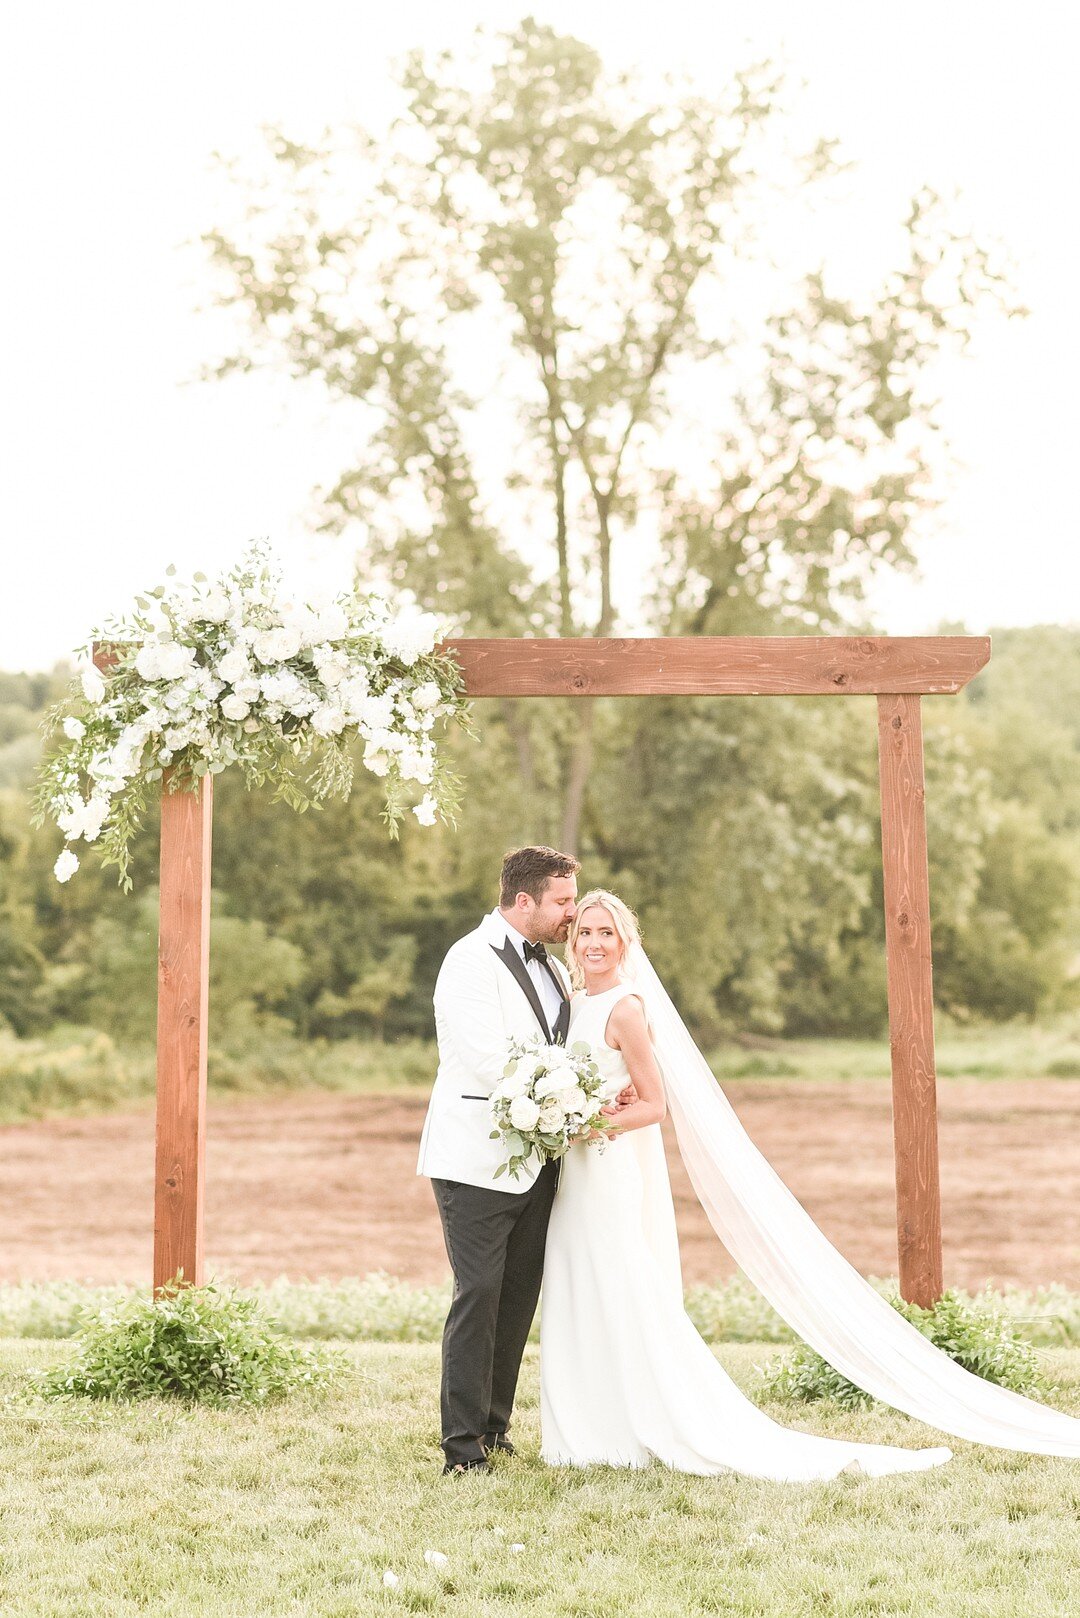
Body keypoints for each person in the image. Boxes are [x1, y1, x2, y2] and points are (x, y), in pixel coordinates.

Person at [539, 890, 1080, 1476]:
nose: (594, 944)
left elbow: (654, 1106)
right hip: (574, 1174)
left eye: (605, 934)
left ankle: (645, 1424)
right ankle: (586, 1430)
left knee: (621, 1288)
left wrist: (584, 1121)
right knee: (574, 1282)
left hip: (606, 1166)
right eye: (585, 933)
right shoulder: (571, 1001)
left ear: (624, 942)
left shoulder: (626, 1008)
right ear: (573, 941)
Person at [417, 845, 579, 1474]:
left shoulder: (555, 969)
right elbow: (489, 1057)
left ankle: (494, 1427)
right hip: (474, 1158)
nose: (570, 913)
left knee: (516, 1296)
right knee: (478, 1293)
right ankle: (460, 1449)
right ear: (524, 901)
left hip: (539, 1156)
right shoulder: (468, 960)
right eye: (561, 902)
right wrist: (572, 1087)